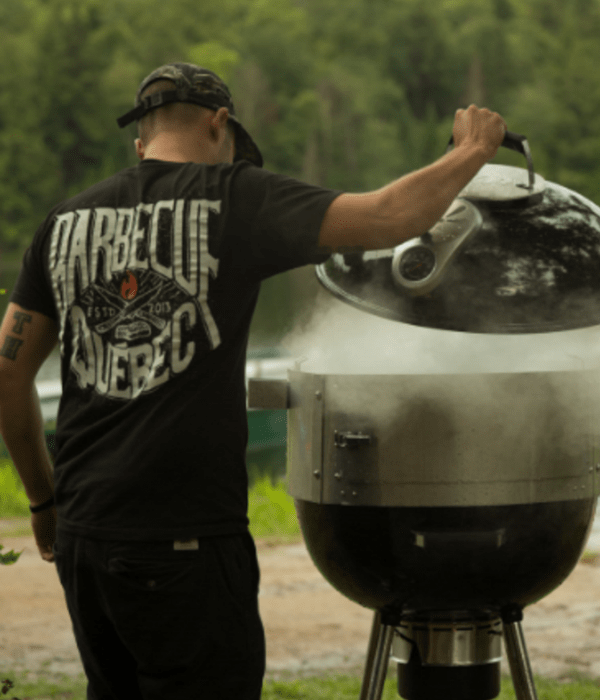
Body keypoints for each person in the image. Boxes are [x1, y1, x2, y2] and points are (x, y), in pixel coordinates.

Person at [0, 62, 506, 699]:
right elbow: (387, 218)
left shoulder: (63, 224)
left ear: (141, 141)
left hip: (84, 539)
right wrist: (473, 151)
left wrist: (44, 502)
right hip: (184, 540)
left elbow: (6, 372)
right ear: (219, 125)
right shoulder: (235, 197)